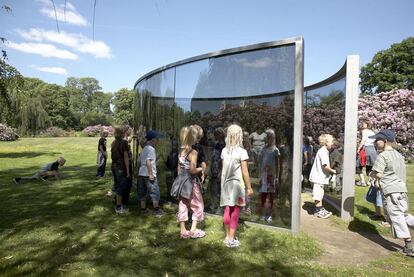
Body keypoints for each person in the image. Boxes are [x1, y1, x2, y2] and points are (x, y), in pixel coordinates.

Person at [369, 129, 414, 257]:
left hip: (391, 191)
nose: (375, 142)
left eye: (377, 140)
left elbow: (378, 173)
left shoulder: (382, 155)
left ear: (385, 141)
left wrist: (371, 174)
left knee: (396, 217)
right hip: (401, 190)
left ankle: (409, 245)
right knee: (403, 215)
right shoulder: (398, 155)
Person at [220, 124, 253, 248]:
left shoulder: (224, 151)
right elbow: (245, 172)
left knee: (228, 209)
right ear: (239, 136)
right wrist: (249, 187)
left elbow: (223, 169)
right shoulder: (242, 152)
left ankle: (228, 236)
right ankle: (231, 239)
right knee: (236, 211)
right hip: (237, 186)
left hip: (226, 185)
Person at [176, 126, 206, 239]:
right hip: (191, 183)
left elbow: (179, 169)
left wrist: (180, 180)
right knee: (198, 204)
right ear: (192, 138)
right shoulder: (193, 152)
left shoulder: (181, 152)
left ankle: (183, 230)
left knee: (183, 204)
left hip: (182, 182)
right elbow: (193, 170)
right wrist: (201, 169)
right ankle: (193, 230)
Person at [309, 134, 336, 219]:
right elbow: (326, 166)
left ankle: (320, 209)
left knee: (320, 193)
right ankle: (318, 210)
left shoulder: (324, 151)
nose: (332, 143)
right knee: (318, 194)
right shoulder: (323, 151)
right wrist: (334, 171)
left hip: (320, 177)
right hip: (318, 177)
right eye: (331, 141)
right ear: (326, 142)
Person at [137, 130, 163, 216]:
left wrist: (138, 172)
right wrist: (151, 174)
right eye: (157, 139)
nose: (158, 140)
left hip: (142, 173)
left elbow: (140, 161)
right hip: (148, 174)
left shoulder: (145, 148)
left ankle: (143, 209)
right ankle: (156, 210)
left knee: (142, 192)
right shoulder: (151, 149)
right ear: (153, 140)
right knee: (154, 192)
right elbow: (148, 161)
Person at [257, 129, 280, 223]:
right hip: (264, 177)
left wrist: (277, 176)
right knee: (263, 196)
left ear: (272, 138)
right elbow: (260, 162)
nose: (266, 140)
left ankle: (269, 214)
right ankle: (263, 213)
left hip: (271, 177)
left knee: (270, 197)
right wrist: (259, 175)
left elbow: (278, 164)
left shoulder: (275, 150)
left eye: (268, 138)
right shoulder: (263, 149)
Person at [111, 126, 130, 214]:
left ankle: (117, 202)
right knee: (121, 186)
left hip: (114, 167)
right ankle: (118, 206)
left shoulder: (114, 142)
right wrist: (128, 170)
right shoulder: (123, 143)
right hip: (121, 167)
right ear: (122, 134)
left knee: (117, 184)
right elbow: (126, 157)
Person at [208, 127, 226, 213]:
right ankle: (213, 205)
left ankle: (221, 206)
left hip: (221, 169)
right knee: (213, 188)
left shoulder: (225, 145)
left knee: (220, 188)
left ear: (221, 134)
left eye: (217, 134)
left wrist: (221, 171)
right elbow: (212, 157)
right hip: (214, 168)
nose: (215, 136)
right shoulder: (215, 144)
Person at [356, 120, 377, 186]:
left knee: (358, 165)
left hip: (366, 149)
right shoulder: (372, 132)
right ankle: (369, 181)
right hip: (373, 149)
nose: (362, 125)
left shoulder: (364, 131)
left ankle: (362, 181)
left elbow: (363, 140)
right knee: (370, 166)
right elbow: (374, 141)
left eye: (363, 124)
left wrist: (359, 148)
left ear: (367, 125)